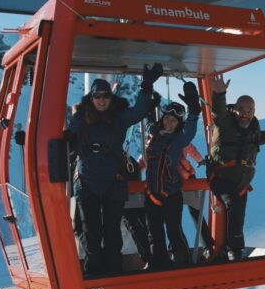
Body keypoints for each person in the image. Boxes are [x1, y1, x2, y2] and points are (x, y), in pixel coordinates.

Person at [68, 63, 162, 275]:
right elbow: (68, 139)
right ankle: (94, 271)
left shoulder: (119, 118)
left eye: (105, 96)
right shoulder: (80, 119)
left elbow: (139, 111)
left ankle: (113, 269)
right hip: (87, 182)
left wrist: (146, 86)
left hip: (112, 181)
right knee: (91, 231)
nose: (102, 100)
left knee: (112, 232)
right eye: (97, 96)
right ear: (91, 98)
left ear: (111, 98)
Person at [207, 74, 265, 262]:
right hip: (221, 179)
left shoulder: (252, 129)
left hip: (241, 183)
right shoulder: (226, 124)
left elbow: (260, 138)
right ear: (235, 109)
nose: (246, 112)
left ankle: (230, 247)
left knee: (238, 216)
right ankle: (234, 250)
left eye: (250, 109)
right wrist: (219, 94)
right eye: (242, 108)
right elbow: (218, 113)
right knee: (233, 204)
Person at [144, 82, 201, 269]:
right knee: (154, 232)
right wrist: (150, 103)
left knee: (173, 229)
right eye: (167, 118)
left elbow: (190, 131)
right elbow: (149, 120)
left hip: (171, 194)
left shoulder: (178, 140)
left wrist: (194, 110)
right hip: (151, 193)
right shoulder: (154, 135)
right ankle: (158, 262)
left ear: (179, 125)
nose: (169, 123)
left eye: (174, 121)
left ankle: (182, 261)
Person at [177, 143, 215, 259]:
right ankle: (207, 245)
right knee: (195, 213)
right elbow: (191, 149)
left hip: (171, 181)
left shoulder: (153, 142)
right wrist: (200, 160)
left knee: (172, 218)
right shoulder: (181, 137)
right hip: (187, 177)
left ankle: (177, 249)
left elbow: (144, 160)